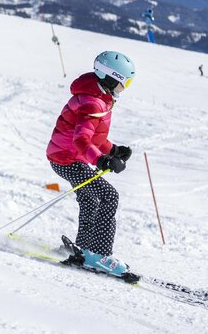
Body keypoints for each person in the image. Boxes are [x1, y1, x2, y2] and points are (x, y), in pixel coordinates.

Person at [45, 51, 136, 277]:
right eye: (126, 83)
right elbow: (81, 140)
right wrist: (102, 159)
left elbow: (94, 138)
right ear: (112, 78)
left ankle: (84, 248)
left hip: (67, 156)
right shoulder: (92, 102)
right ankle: (99, 254)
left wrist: (113, 150)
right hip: (67, 159)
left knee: (90, 197)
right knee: (108, 196)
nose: (126, 88)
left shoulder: (99, 97)